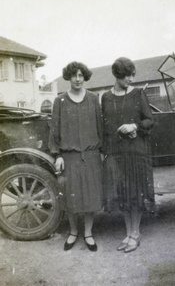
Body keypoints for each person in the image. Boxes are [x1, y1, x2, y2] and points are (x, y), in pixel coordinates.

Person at [101, 57, 155, 253]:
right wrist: (105, 152)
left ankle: (136, 233)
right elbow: (105, 126)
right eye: (126, 77)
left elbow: (149, 120)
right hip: (116, 152)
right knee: (122, 193)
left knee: (135, 193)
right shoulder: (106, 97)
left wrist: (135, 126)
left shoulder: (138, 94)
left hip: (135, 151)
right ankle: (128, 233)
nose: (130, 79)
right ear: (117, 75)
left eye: (132, 75)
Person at [48, 61, 103, 251]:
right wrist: (58, 155)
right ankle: (73, 232)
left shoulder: (94, 99)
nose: (78, 79)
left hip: (91, 155)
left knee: (90, 197)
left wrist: (101, 151)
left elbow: (100, 127)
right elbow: (55, 129)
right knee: (71, 198)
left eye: (81, 76)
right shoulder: (60, 101)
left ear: (84, 77)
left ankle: (88, 233)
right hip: (69, 157)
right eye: (74, 76)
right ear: (69, 77)